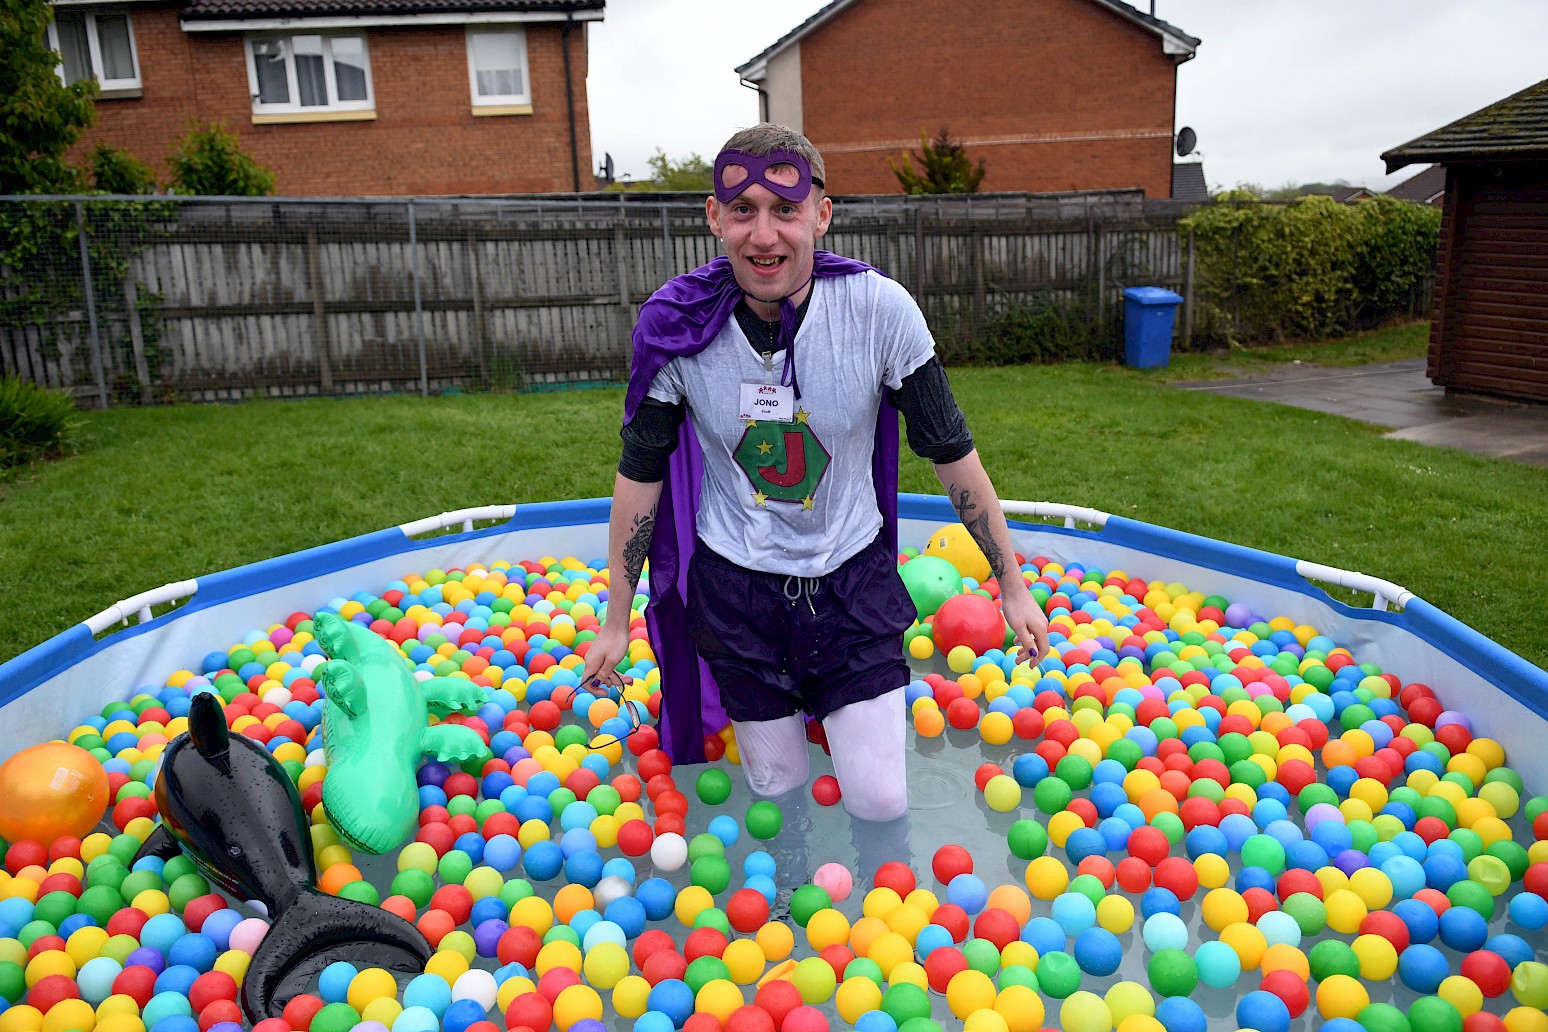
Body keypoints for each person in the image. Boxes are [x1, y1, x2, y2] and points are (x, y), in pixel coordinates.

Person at [581, 124, 1048, 822]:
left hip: (852, 585)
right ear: (714, 216)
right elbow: (639, 476)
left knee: (882, 799)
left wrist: (1012, 585)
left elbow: (950, 450)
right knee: (774, 789)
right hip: (736, 592)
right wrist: (616, 619)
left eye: (785, 210)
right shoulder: (673, 325)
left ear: (821, 215)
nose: (763, 235)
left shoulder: (878, 311)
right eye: (743, 210)